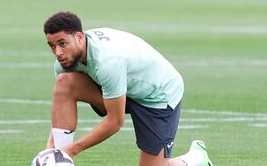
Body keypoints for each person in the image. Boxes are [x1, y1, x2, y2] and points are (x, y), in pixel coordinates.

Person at [43, 11, 213, 166]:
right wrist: (51, 150)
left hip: (158, 95)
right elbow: (61, 108)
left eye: (62, 43)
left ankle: (195, 159)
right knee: (64, 82)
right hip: (121, 87)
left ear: (79, 37)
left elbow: (115, 122)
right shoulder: (64, 63)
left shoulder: (108, 61)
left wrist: (71, 150)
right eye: (52, 46)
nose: (58, 52)